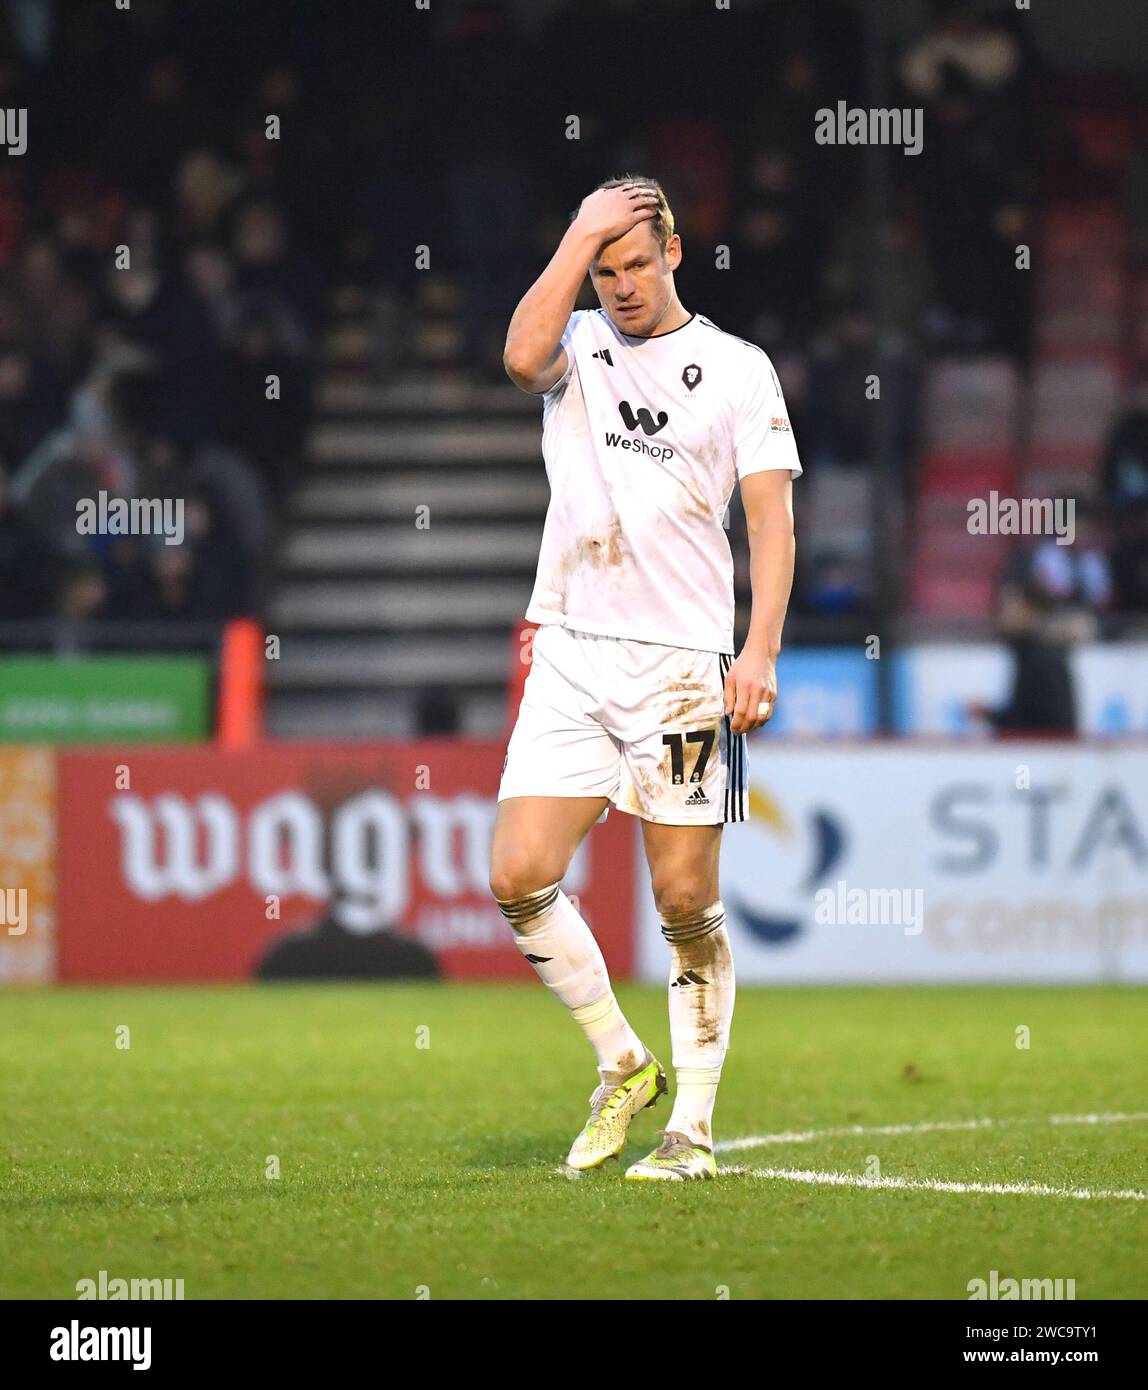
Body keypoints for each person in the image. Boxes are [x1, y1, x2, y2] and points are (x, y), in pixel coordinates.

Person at [490, 177, 801, 1181]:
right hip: (571, 647)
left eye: (634, 262)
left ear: (674, 252)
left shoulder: (737, 370)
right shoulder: (574, 344)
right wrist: (575, 229)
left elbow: (769, 521)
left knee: (680, 896)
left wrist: (758, 651)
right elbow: (513, 357)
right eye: (603, 267)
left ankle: (692, 1131)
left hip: (681, 667)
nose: (620, 286)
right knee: (517, 871)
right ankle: (623, 1061)